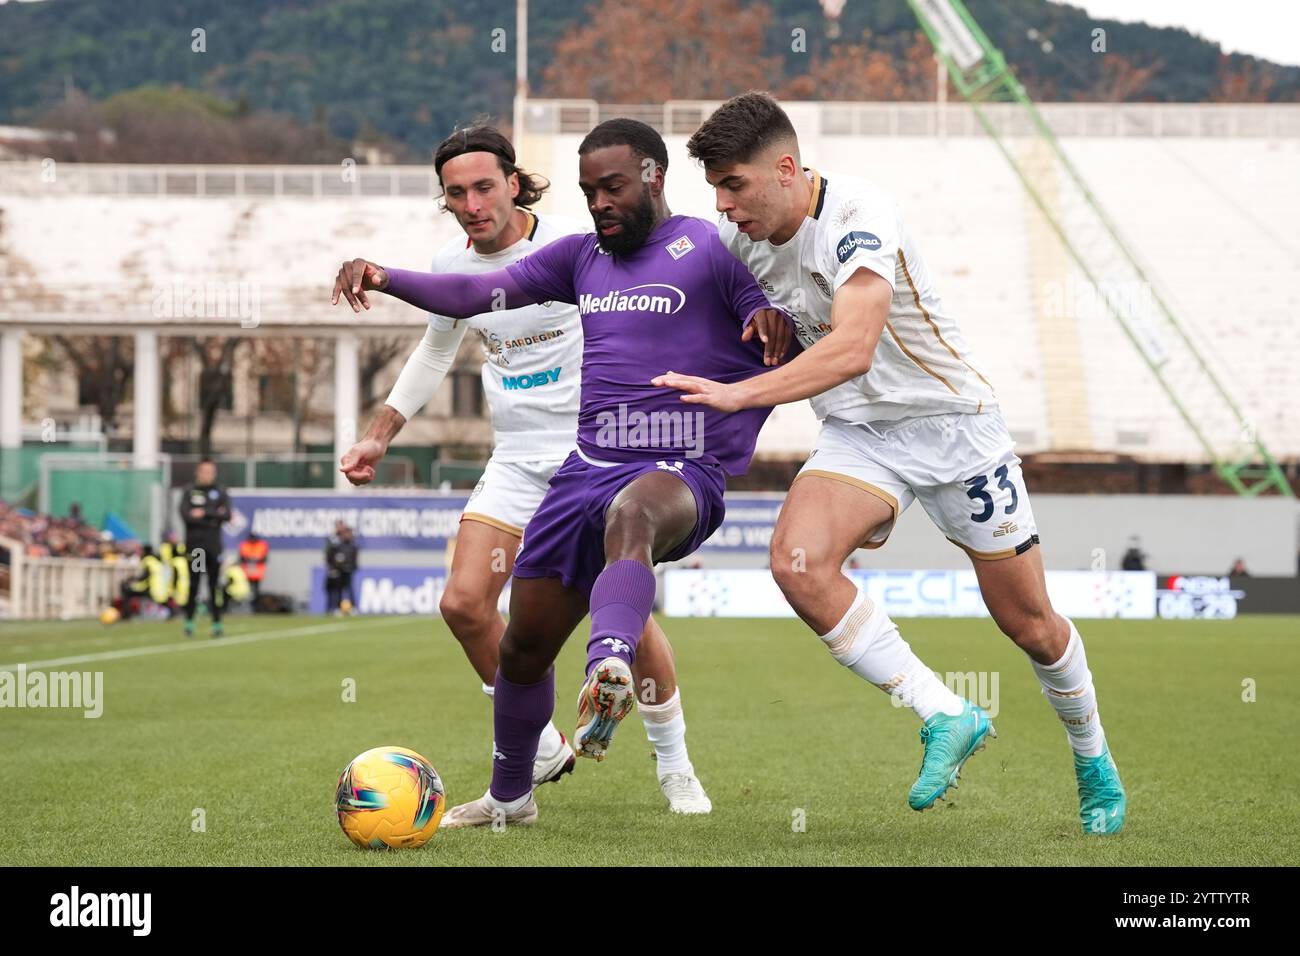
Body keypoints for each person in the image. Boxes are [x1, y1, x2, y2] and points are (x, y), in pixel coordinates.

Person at [656, 91, 1125, 834]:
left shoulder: (857, 217)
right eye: (714, 188)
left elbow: (852, 348)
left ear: (785, 169)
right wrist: (759, 313)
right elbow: (739, 303)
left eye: (734, 185)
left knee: (1029, 624)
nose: (723, 204)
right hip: (861, 434)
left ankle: (1092, 757)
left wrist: (737, 396)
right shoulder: (740, 237)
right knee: (798, 564)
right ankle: (946, 713)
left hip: (953, 428)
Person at [332, 118, 793, 828]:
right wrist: (384, 276)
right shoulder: (578, 258)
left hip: (674, 457)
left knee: (631, 526)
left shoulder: (703, 243)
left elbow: (759, 303)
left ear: (652, 178)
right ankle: (513, 796)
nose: (601, 203)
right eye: (589, 192)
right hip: (572, 468)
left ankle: (622, 689)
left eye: (613, 187)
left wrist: (766, 318)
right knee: (519, 646)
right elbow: (467, 299)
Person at [179, 458, 232, 638]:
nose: (207, 475)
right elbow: (186, 515)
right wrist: (213, 515)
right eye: (204, 471)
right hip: (197, 549)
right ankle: (189, 623)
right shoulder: (190, 491)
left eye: (210, 471)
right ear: (198, 472)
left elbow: (227, 515)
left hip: (213, 547)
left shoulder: (221, 491)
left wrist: (204, 512)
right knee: (194, 585)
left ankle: (217, 623)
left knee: (214, 586)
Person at [115, 545, 168, 620]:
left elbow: (145, 576)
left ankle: (126, 615)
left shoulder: (147, 560)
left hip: (152, 589)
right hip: (161, 589)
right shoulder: (156, 561)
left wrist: (132, 579)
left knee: (127, 592)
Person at [324, 520, 358, 614]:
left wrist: (352, 566)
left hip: (348, 569)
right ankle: (336, 608)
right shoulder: (334, 541)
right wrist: (332, 567)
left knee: (349, 589)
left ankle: (353, 607)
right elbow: (330, 555)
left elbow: (353, 556)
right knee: (336, 590)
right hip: (338, 569)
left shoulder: (351, 543)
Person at [239, 531, 268, 603]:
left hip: (258, 572)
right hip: (247, 572)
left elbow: (264, 558)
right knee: (247, 589)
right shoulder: (245, 545)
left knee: (256, 590)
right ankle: (247, 604)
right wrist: (251, 558)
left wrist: (255, 559)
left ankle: (256, 605)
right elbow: (242, 558)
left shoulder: (262, 545)